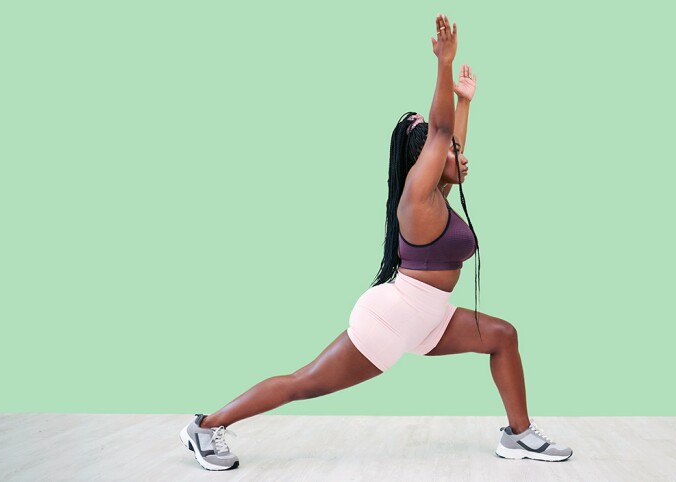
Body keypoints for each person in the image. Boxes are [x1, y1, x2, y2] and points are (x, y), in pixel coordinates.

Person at [179, 13, 572, 471]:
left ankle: (519, 435)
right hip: (391, 318)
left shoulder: (437, 196)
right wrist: (445, 65)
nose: (459, 157)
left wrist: (464, 103)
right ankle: (206, 426)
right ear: (423, 159)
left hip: (428, 318)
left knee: (503, 336)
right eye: (446, 152)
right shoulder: (416, 201)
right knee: (304, 383)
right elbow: (442, 134)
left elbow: (451, 140)